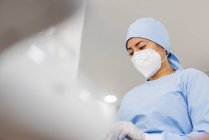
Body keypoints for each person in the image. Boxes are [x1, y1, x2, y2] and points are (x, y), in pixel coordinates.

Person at [106, 18, 209, 140]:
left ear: (163, 47)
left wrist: (147, 138)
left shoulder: (190, 79)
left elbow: (205, 135)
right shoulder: (129, 97)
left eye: (142, 47)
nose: (137, 55)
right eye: (131, 53)